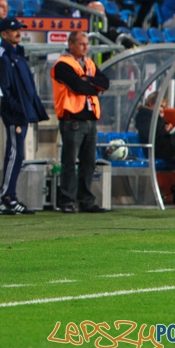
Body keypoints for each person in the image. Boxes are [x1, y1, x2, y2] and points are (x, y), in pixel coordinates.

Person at [0, 17, 48, 214]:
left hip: (22, 112)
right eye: (14, 30)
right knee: (15, 154)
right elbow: (5, 89)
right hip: (15, 114)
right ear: (4, 34)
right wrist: (17, 109)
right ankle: (6, 198)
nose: (19, 33)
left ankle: (10, 196)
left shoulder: (16, 54)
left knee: (18, 155)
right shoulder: (2, 55)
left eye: (19, 30)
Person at [51, 32, 110, 214]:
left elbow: (105, 83)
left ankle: (86, 200)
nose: (85, 47)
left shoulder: (89, 64)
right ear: (71, 44)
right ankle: (67, 200)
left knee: (88, 163)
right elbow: (78, 87)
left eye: (87, 44)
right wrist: (92, 86)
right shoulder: (62, 65)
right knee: (69, 162)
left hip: (90, 120)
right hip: (72, 119)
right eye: (81, 44)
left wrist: (89, 81)